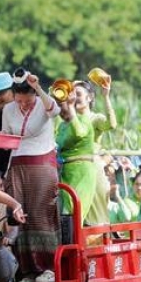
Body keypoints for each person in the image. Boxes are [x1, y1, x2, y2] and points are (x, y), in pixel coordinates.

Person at [0, 68, 61, 282]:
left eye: (28, 100)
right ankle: (25, 269)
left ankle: (48, 267)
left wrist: (38, 88)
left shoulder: (43, 104)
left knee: (40, 213)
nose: (23, 105)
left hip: (42, 164)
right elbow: (8, 135)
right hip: (16, 164)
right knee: (18, 215)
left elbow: (55, 111)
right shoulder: (8, 109)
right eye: (19, 101)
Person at [73, 77, 116, 226]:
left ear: (90, 97)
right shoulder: (67, 121)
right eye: (70, 94)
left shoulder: (95, 118)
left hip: (93, 169)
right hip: (73, 171)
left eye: (77, 93)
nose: (73, 97)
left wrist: (106, 97)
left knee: (96, 219)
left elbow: (111, 124)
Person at [55, 89, 98, 224]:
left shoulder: (83, 118)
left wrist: (72, 107)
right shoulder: (62, 125)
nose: (60, 109)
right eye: (58, 106)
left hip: (82, 172)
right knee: (62, 211)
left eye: (62, 105)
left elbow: (79, 133)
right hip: (65, 172)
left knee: (73, 211)